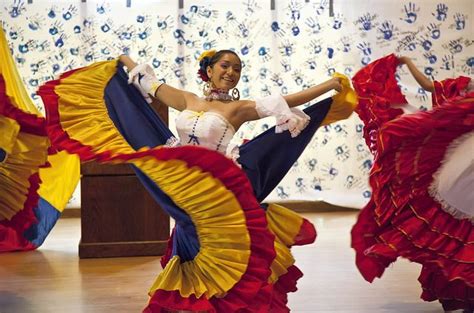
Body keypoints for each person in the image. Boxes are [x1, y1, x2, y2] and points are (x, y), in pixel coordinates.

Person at [38, 49, 357, 312]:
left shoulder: (239, 109)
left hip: (215, 189)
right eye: (225, 65)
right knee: (188, 229)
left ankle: (215, 301)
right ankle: (197, 298)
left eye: (237, 68)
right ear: (209, 70)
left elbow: (288, 99)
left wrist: (330, 84)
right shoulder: (188, 100)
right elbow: (150, 85)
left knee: (202, 236)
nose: (231, 72)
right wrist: (124, 60)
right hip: (182, 180)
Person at [350, 54, 473, 312]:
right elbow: (430, 86)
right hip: (464, 163)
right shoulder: (469, 86)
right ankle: (459, 292)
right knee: (455, 224)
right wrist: (406, 62)